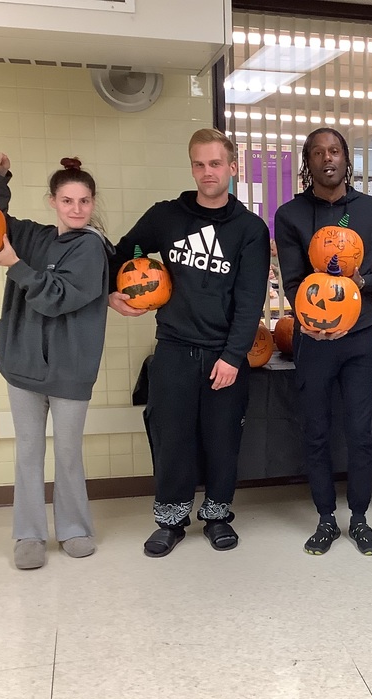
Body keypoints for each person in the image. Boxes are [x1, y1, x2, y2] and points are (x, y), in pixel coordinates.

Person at [109, 128, 270, 558]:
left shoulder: (250, 230)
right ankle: (171, 520)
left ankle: (217, 516)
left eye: (215, 163)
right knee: (171, 437)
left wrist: (234, 356)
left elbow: (250, 299)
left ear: (232, 168)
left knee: (222, 440)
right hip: (175, 349)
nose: (207, 172)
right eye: (199, 164)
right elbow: (123, 254)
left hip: (224, 354)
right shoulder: (167, 217)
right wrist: (114, 292)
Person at [0, 152, 112, 570]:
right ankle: (28, 534)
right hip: (23, 365)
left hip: (70, 369)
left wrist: (14, 265)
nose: (76, 209)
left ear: (92, 203)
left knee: (68, 452)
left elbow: (57, 297)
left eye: (84, 201)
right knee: (28, 451)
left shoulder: (92, 249)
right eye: (67, 201)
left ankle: (74, 528)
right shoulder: (31, 236)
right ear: (52, 201)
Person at [274, 127, 372, 556]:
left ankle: (360, 518)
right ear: (307, 164)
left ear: (346, 160)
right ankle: (326, 519)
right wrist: (308, 319)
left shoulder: (370, 212)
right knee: (316, 431)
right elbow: (293, 281)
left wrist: (358, 280)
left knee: (359, 432)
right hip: (312, 340)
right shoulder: (290, 215)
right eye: (317, 153)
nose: (327, 158)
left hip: (360, 338)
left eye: (334, 151)